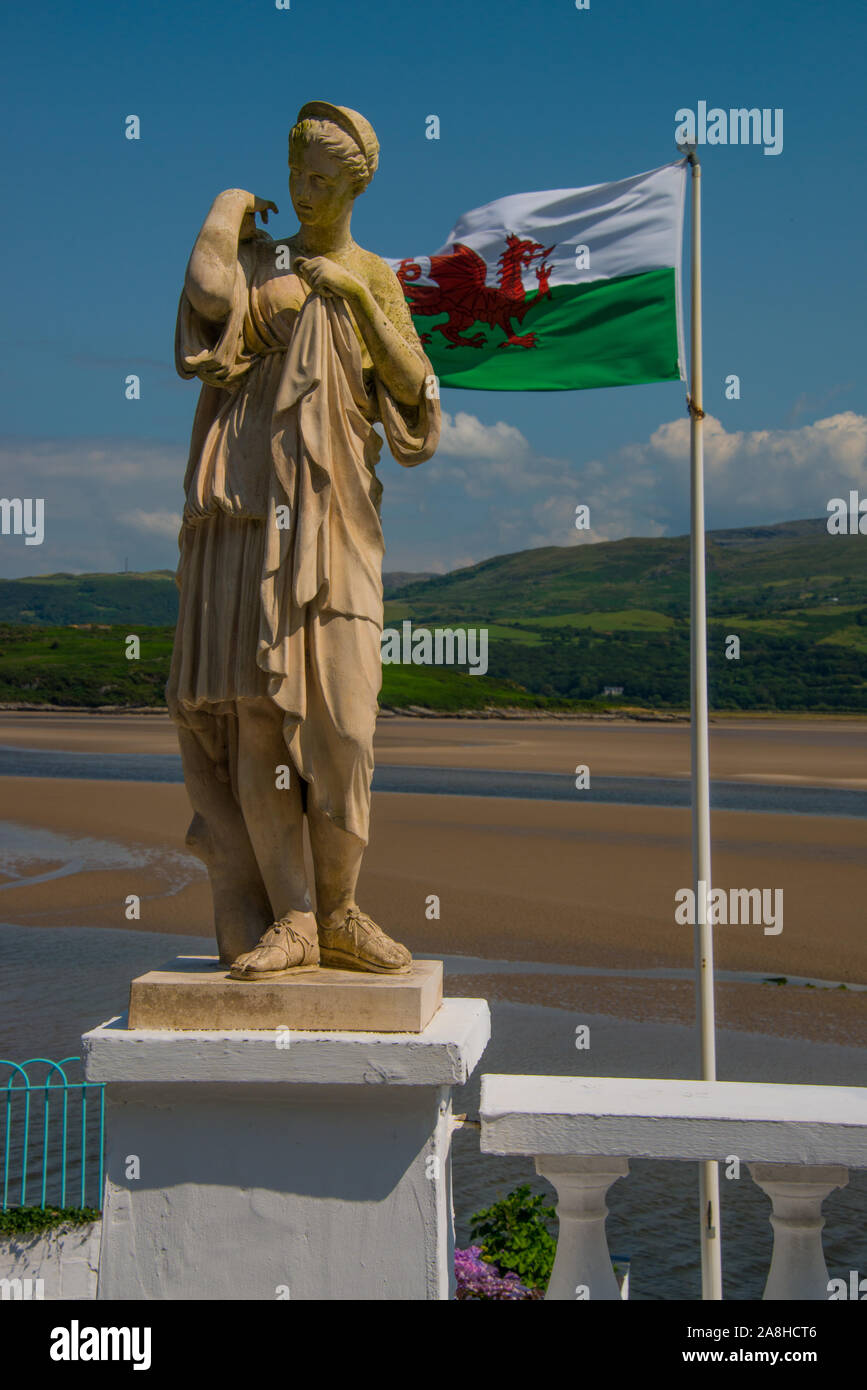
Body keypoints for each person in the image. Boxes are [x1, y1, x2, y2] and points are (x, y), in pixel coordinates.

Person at [167, 101, 440, 978]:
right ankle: (291, 918)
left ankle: (342, 910)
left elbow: (418, 394)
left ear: (357, 185)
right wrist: (226, 204)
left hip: (338, 517)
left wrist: (357, 296)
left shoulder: (373, 274)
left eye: (323, 181)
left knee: (346, 727)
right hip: (250, 506)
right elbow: (209, 300)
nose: (305, 193)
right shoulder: (262, 258)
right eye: (296, 177)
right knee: (257, 720)